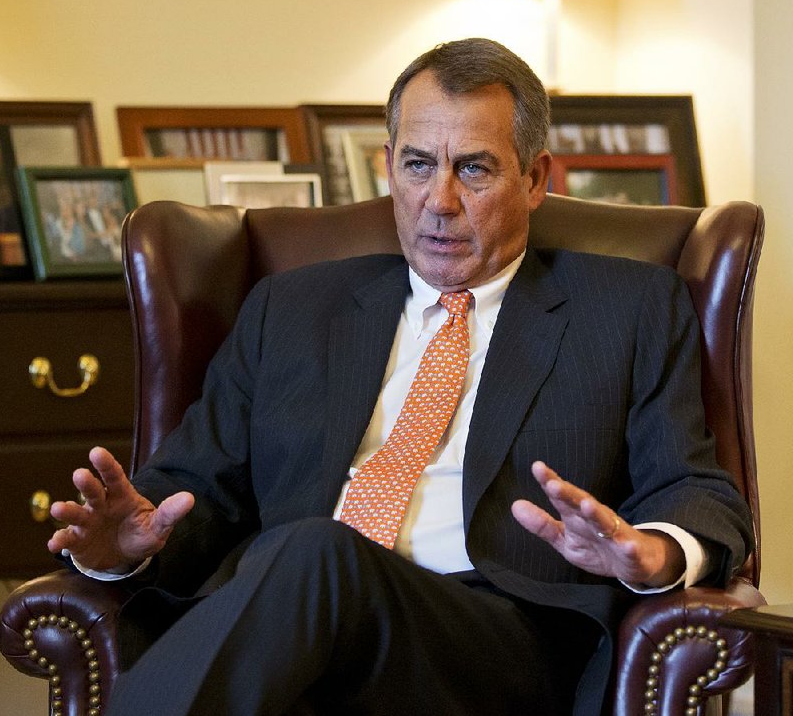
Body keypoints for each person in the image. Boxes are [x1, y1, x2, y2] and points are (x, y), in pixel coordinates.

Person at [48, 37, 753, 716]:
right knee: (311, 559)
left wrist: (651, 552)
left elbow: (696, 488)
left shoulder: (626, 308)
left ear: (534, 178)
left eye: (473, 168)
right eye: (417, 164)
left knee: (318, 548)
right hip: (293, 621)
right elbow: (192, 491)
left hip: (495, 639)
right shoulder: (291, 308)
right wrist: (122, 553)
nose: (438, 200)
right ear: (389, 165)